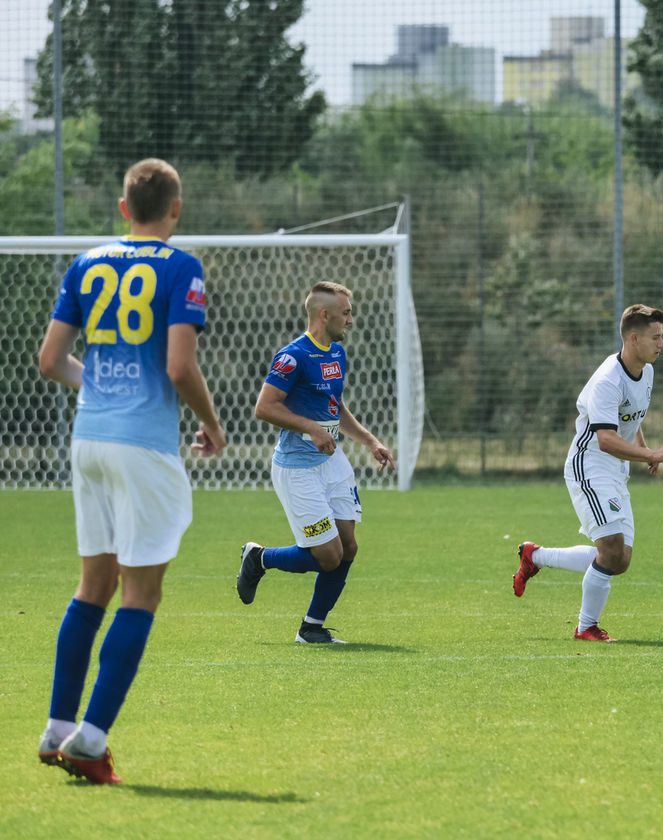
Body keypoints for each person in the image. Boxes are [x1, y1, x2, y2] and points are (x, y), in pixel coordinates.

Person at [35, 159, 227, 784]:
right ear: (176, 208)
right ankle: (89, 743)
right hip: (142, 446)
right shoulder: (181, 266)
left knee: (93, 586)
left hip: (89, 440)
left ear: (123, 209)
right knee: (140, 593)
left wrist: (101, 390)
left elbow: (50, 360)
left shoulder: (86, 263)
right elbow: (179, 368)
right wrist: (213, 423)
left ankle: (58, 728)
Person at [512, 304, 663, 641]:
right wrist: (652, 454)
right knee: (611, 549)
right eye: (655, 337)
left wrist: (644, 449)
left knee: (619, 560)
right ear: (634, 339)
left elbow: (631, 416)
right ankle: (586, 627)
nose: (662, 344)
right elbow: (605, 439)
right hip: (589, 465)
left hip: (616, 469)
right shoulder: (608, 380)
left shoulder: (646, 371)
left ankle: (536, 556)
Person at [236, 281, 395, 644]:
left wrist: (370, 440)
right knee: (328, 556)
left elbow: (334, 408)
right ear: (325, 315)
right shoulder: (293, 357)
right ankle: (260, 558)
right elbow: (264, 408)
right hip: (297, 468)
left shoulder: (336, 353)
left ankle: (311, 628)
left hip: (332, 462)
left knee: (348, 547)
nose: (350, 320)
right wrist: (310, 427)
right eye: (346, 313)